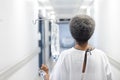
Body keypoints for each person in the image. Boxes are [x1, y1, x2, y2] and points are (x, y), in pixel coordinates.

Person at [41, 15, 112, 80]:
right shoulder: (102, 56)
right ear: (91, 33)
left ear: (72, 33)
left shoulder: (65, 56)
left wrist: (46, 75)